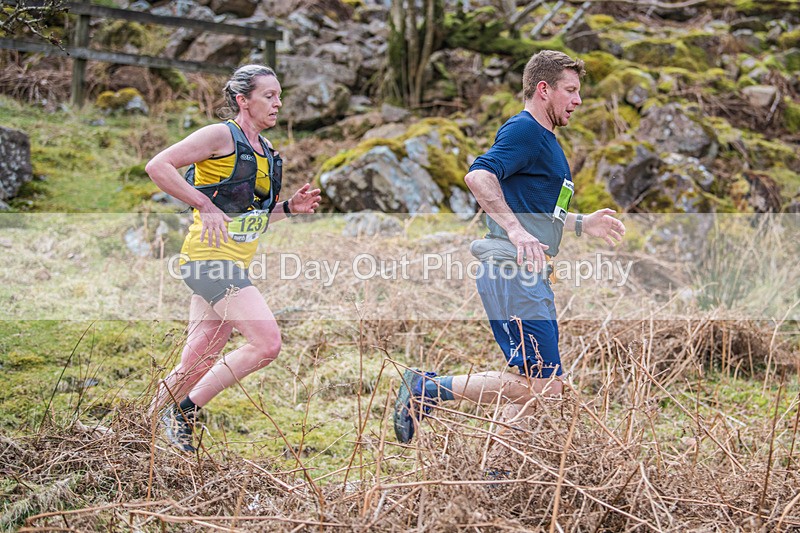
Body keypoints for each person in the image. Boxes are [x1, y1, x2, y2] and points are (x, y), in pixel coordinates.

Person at [393, 50, 626, 445]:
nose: (578, 100)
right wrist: (516, 231)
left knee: (527, 381)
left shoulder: (545, 141)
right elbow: (479, 176)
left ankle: (496, 472)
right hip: (512, 269)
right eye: (570, 90)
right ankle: (426, 389)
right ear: (543, 89)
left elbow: (537, 212)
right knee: (548, 387)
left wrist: (584, 223)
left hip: (524, 270)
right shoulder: (526, 131)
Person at [145, 64, 321, 452]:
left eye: (279, 95)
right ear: (243, 100)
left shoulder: (269, 152)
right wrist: (201, 203)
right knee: (266, 342)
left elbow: (250, 218)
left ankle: (135, 431)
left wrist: (289, 208)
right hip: (208, 261)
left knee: (197, 361)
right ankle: (185, 411)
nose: (278, 103)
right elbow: (157, 165)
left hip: (233, 263)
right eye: (268, 96)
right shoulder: (220, 135)